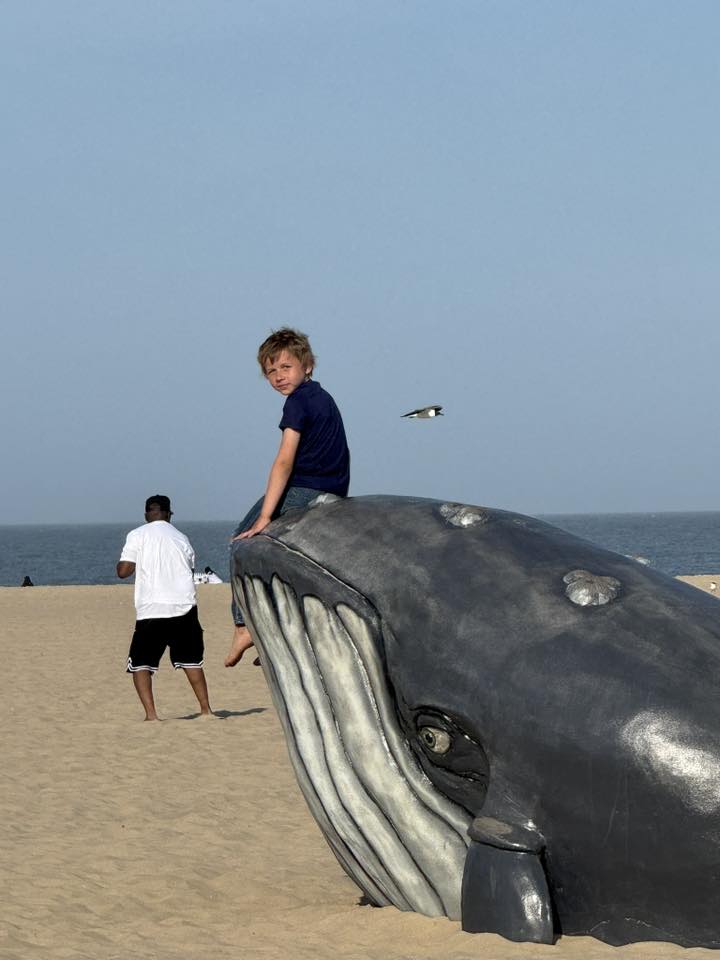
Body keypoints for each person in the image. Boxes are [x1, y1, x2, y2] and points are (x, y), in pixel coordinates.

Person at [225, 327, 350, 667]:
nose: (278, 377)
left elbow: (284, 460)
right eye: (271, 371)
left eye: (285, 367)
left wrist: (265, 517)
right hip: (334, 488)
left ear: (307, 365)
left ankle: (244, 625)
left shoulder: (297, 404)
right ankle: (277, 632)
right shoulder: (322, 397)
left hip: (306, 487)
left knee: (242, 543)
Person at [117, 494, 212, 720]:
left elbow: (123, 572)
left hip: (152, 608)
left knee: (141, 664)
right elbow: (188, 570)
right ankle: (206, 710)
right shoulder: (182, 538)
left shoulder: (137, 535)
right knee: (191, 661)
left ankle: (152, 715)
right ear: (169, 514)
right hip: (184, 606)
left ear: (146, 515)